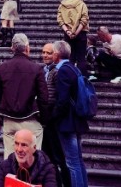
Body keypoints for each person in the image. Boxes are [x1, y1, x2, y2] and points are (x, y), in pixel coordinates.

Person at [0, 32, 48, 151]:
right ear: (27, 47)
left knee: (10, 156)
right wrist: (44, 118)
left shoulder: (2, 68)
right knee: (33, 156)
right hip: (30, 117)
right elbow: (43, 97)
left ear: (12, 48)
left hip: (9, 118)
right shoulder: (36, 68)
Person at [53, 42, 89, 187]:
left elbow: (63, 100)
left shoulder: (63, 71)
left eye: (54, 51)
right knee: (78, 160)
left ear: (58, 54)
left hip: (68, 122)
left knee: (72, 162)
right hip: (77, 120)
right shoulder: (74, 68)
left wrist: (53, 115)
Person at [40, 43, 69, 187]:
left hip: (53, 119)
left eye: (49, 53)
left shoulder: (57, 72)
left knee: (59, 156)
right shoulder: (42, 70)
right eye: (44, 52)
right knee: (47, 156)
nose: (45, 55)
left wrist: (53, 115)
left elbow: (59, 97)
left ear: (55, 55)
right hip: (44, 119)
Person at [57, 0, 89, 69]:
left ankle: (70, 76)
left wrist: (68, 31)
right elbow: (84, 20)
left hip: (67, 34)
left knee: (70, 57)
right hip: (80, 33)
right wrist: (75, 32)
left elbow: (60, 20)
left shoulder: (62, 5)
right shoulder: (82, 4)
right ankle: (81, 78)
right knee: (81, 58)